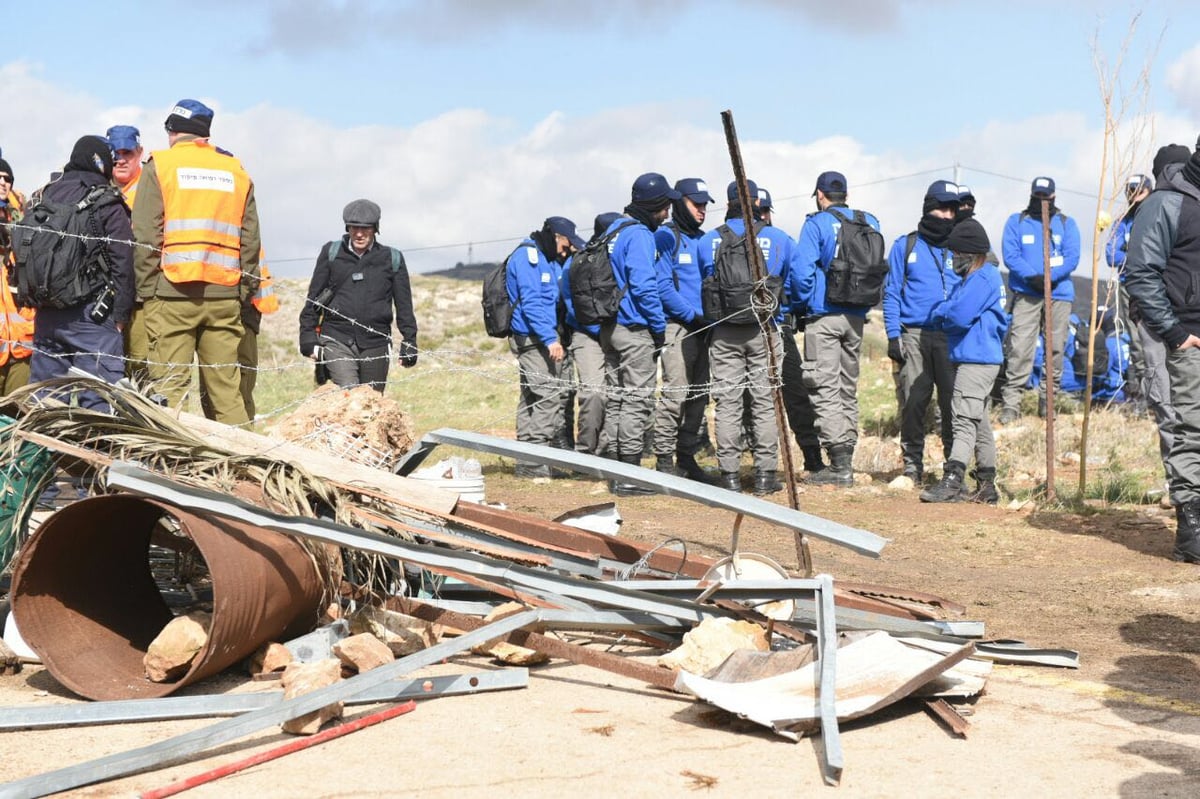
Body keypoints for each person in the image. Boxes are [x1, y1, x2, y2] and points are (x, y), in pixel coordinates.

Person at [132, 99, 261, 424]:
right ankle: (242, 466)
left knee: (168, 392)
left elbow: (146, 235)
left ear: (172, 131)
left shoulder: (161, 165)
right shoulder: (235, 170)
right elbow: (251, 240)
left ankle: (168, 469)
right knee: (227, 395)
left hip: (172, 293)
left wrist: (149, 292)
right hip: (224, 295)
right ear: (205, 133)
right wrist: (243, 291)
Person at [1124, 142, 1200, 563]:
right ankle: (1192, 530)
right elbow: (1140, 272)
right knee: (1190, 428)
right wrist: (1174, 333)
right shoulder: (1166, 203)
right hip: (1189, 337)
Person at [699, 179, 797, 495]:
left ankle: (729, 474)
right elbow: (794, 284)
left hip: (724, 329)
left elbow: (702, 282)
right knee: (765, 402)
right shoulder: (778, 239)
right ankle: (766, 475)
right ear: (756, 203)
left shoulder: (708, 241)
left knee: (727, 402)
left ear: (727, 203)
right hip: (764, 329)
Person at [28, 136, 134, 408]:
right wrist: (120, 315)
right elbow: (122, 260)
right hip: (92, 317)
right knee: (98, 400)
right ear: (101, 163)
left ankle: (41, 448)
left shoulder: (43, 196)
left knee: (45, 400)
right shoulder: (106, 200)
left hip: (47, 313)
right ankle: (97, 450)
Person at [793, 170, 882, 486]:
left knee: (823, 386)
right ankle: (847, 455)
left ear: (820, 195)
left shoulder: (816, 224)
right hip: (857, 316)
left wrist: (798, 305)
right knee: (847, 387)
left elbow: (802, 273)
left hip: (824, 315)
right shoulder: (870, 221)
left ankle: (839, 464)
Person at [920, 218, 1008, 504]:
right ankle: (987, 486)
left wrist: (944, 313)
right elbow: (949, 309)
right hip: (977, 358)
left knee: (962, 420)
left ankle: (953, 479)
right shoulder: (974, 279)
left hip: (976, 360)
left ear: (971, 253)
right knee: (978, 421)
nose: (953, 258)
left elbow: (955, 315)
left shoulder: (984, 278)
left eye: (957, 253)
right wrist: (946, 311)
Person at [883, 180, 962, 483]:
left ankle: (953, 469)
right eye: (942, 207)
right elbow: (891, 293)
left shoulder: (960, 247)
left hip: (950, 337)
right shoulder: (906, 245)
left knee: (951, 403)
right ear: (929, 207)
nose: (947, 215)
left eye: (952, 209)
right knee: (914, 400)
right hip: (914, 334)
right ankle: (912, 466)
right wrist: (893, 335)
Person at [600, 172, 674, 496]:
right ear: (654, 205)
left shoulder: (613, 230)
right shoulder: (641, 235)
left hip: (609, 327)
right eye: (665, 207)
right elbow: (645, 286)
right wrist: (658, 329)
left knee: (617, 399)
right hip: (634, 327)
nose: (668, 214)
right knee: (635, 401)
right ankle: (630, 477)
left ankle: (617, 473)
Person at [298, 199, 418, 393]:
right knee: (349, 395)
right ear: (348, 227)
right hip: (336, 338)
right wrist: (307, 337)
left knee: (371, 403)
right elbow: (313, 299)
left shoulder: (392, 259)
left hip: (376, 343)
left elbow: (404, 305)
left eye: (366, 228)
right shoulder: (331, 253)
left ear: (375, 229)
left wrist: (409, 340)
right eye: (354, 228)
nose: (359, 234)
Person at [996, 176, 1081, 424]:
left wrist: (1049, 277)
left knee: (1055, 348)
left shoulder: (1067, 224)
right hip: (1026, 293)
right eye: (1038, 196)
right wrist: (1031, 277)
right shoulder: (1017, 222)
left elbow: (1071, 257)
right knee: (1020, 347)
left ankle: (1048, 403)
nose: (1042, 201)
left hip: (1059, 294)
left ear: (1053, 197)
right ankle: (1012, 404)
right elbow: (1010, 255)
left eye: (1046, 197)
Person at [506, 216, 582, 478]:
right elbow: (532, 302)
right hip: (534, 339)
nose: (565, 251)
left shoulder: (542, 257)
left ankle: (528, 460)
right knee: (548, 396)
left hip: (536, 337)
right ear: (556, 236)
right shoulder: (530, 258)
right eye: (565, 245)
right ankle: (535, 463)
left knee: (531, 397)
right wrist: (550, 339)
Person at [652, 177, 717, 482]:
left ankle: (686, 457)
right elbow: (662, 286)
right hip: (678, 329)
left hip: (706, 329)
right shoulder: (666, 238)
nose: (702, 210)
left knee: (699, 396)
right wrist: (692, 315)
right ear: (680, 203)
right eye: (696, 204)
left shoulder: (704, 240)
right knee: (675, 393)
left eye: (705, 205)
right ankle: (664, 459)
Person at [564, 212, 619, 456]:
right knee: (594, 392)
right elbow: (570, 304)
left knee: (618, 394)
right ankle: (585, 451)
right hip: (587, 334)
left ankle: (607, 450)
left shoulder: (618, 257)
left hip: (617, 333)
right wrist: (599, 331)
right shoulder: (576, 263)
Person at [1105, 173, 1153, 411]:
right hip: (1127, 286)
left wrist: (1132, 257)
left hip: (1154, 287)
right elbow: (1110, 255)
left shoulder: (1156, 216)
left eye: (1138, 191)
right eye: (1130, 191)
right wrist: (1134, 258)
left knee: (1154, 341)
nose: (1133, 196)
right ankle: (1142, 397)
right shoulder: (1122, 220)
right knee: (1135, 341)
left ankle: (1158, 395)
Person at [107, 124, 150, 385]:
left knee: (143, 366)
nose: (121, 159)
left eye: (128, 152)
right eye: (115, 153)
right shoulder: (99, 188)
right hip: (108, 296)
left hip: (141, 296)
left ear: (140, 152)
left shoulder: (151, 186)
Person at [0, 156, 34, 393]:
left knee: (16, 415)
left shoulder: (25, 224)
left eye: (7, 179)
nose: (3, 183)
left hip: (22, 344)